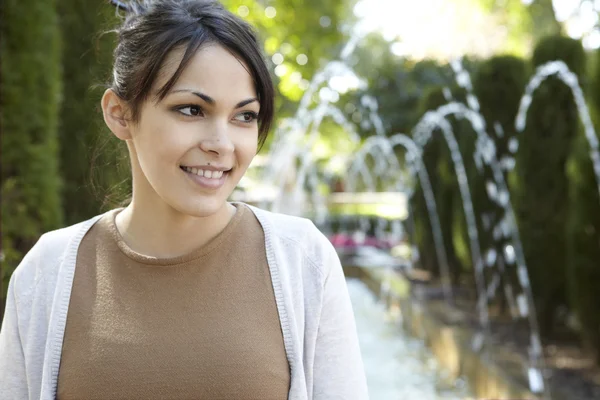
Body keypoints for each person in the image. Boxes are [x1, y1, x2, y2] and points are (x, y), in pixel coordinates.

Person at [0, 0, 369, 399]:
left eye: (244, 116)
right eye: (192, 109)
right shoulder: (48, 271)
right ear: (120, 114)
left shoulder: (303, 259)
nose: (221, 144)